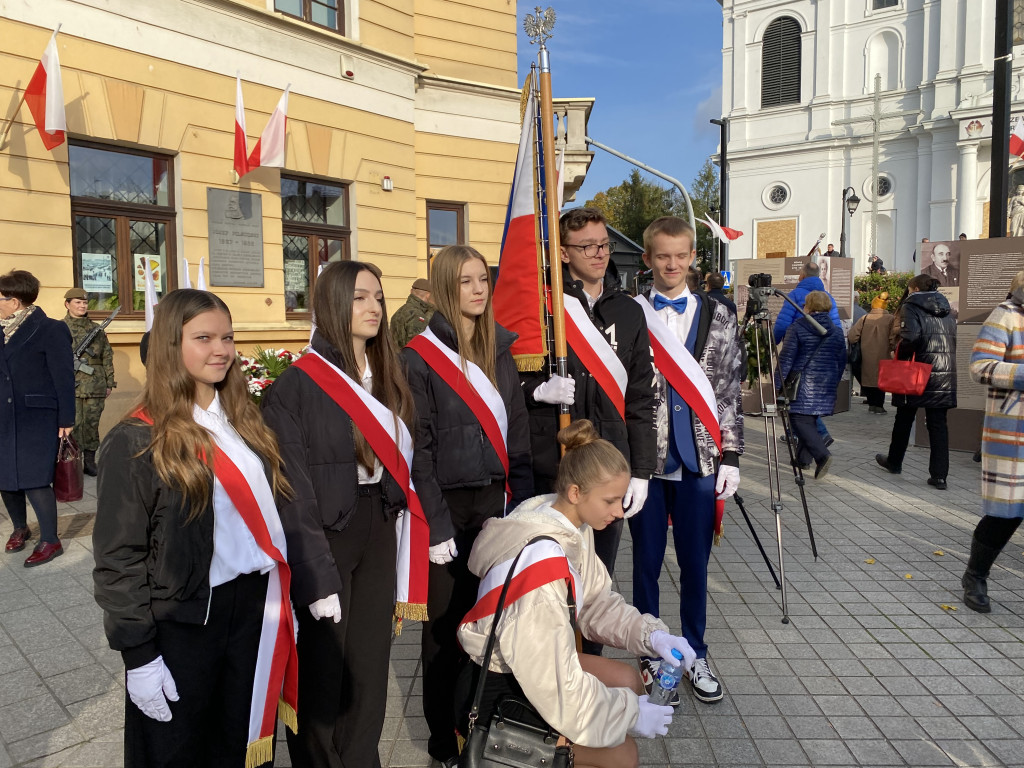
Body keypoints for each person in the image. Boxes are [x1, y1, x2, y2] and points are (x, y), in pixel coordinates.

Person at [93, 289, 297, 768]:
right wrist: (138, 655)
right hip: (184, 623)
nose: (220, 350)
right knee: (176, 753)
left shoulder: (245, 423)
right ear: (170, 346)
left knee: (243, 745)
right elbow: (119, 558)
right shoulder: (137, 439)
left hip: (252, 612)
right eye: (203, 338)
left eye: (227, 337)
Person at [456, 419, 696, 768]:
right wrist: (628, 716)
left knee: (629, 680)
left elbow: (597, 603)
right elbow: (556, 689)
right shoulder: (542, 568)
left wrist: (653, 636)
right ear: (575, 493)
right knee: (623, 754)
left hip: (528, 665)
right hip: (497, 689)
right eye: (611, 500)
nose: (620, 511)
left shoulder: (565, 522)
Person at [262, 261, 419, 768]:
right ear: (331, 304)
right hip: (329, 532)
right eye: (358, 298)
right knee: (324, 665)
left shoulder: (390, 374)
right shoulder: (297, 385)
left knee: (370, 661)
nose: (373, 307)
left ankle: (361, 758)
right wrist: (312, 568)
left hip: (379, 523)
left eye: (378, 296)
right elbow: (291, 488)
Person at [401, 245, 532, 765]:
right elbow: (419, 448)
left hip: (496, 502)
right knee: (444, 628)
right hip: (448, 508)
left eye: (483, 280)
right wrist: (435, 526)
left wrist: (520, 505)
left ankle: (480, 721)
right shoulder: (419, 357)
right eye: (465, 282)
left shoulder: (501, 350)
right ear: (443, 288)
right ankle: (443, 738)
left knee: (492, 619)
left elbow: (517, 435)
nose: (478, 290)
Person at [522, 207, 657, 644]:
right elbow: (510, 376)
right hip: (554, 465)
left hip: (609, 467)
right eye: (587, 246)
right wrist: (536, 390)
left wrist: (641, 470)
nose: (599, 254)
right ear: (563, 253)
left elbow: (641, 395)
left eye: (604, 244)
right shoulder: (543, 309)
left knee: (597, 583)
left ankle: (591, 666)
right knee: (546, 582)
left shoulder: (630, 312)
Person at [631, 217, 744, 705]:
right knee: (645, 566)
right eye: (663, 256)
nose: (673, 264)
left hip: (700, 460)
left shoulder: (719, 312)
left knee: (696, 565)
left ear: (693, 256)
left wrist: (733, 456)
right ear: (648, 259)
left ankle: (695, 651)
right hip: (646, 465)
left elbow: (729, 389)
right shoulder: (632, 313)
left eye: (681, 255)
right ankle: (652, 655)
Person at [0, 269, 75, 566]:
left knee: (35, 479)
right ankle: (20, 527)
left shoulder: (50, 329)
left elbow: (64, 378)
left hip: (37, 416)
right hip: (3, 416)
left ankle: (50, 540)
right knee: (5, 478)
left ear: (15, 301)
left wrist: (66, 419)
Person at [963, 271, 1024, 612]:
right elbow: (980, 367)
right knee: (1006, 513)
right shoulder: (1007, 314)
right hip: (1014, 433)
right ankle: (976, 574)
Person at [876, 274, 957, 489]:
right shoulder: (947, 309)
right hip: (943, 371)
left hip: (916, 370)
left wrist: (900, 358)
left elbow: (911, 338)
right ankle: (939, 476)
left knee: (904, 417)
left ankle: (894, 462)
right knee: (938, 424)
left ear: (913, 288)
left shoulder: (911, 306)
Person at [776, 291, 847, 479]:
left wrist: (778, 383)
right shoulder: (837, 331)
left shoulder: (797, 328)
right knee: (811, 418)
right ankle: (802, 459)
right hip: (825, 382)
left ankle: (822, 455)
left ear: (808, 306)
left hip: (803, 383)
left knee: (799, 419)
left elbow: (786, 359)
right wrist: (834, 381)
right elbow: (841, 360)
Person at [773, 262, 840, 448]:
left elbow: (782, 323)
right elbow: (836, 326)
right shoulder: (828, 297)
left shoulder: (795, 295)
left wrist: (774, 342)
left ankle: (818, 435)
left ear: (802, 274)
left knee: (795, 398)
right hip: (823, 353)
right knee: (809, 399)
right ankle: (799, 440)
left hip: (799, 351)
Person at [63, 287, 116, 476]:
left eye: (84, 302)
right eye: (77, 302)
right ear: (67, 304)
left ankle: (90, 462)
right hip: (70, 384)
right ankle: (72, 463)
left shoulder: (96, 329)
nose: (82, 306)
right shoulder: (59, 328)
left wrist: (110, 382)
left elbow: (107, 355)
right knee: (73, 424)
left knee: (92, 424)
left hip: (95, 384)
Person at [848, 293, 894, 414]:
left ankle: (872, 404)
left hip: (866, 355)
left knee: (868, 379)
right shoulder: (891, 319)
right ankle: (879, 405)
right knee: (881, 380)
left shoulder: (865, 318)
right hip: (885, 355)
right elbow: (893, 338)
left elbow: (852, 337)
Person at [390, 277, 435, 347]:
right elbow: (419, 347)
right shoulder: (418, 316)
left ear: (411, 291)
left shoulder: (398, 312)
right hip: (409, 357)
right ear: (428, 296)